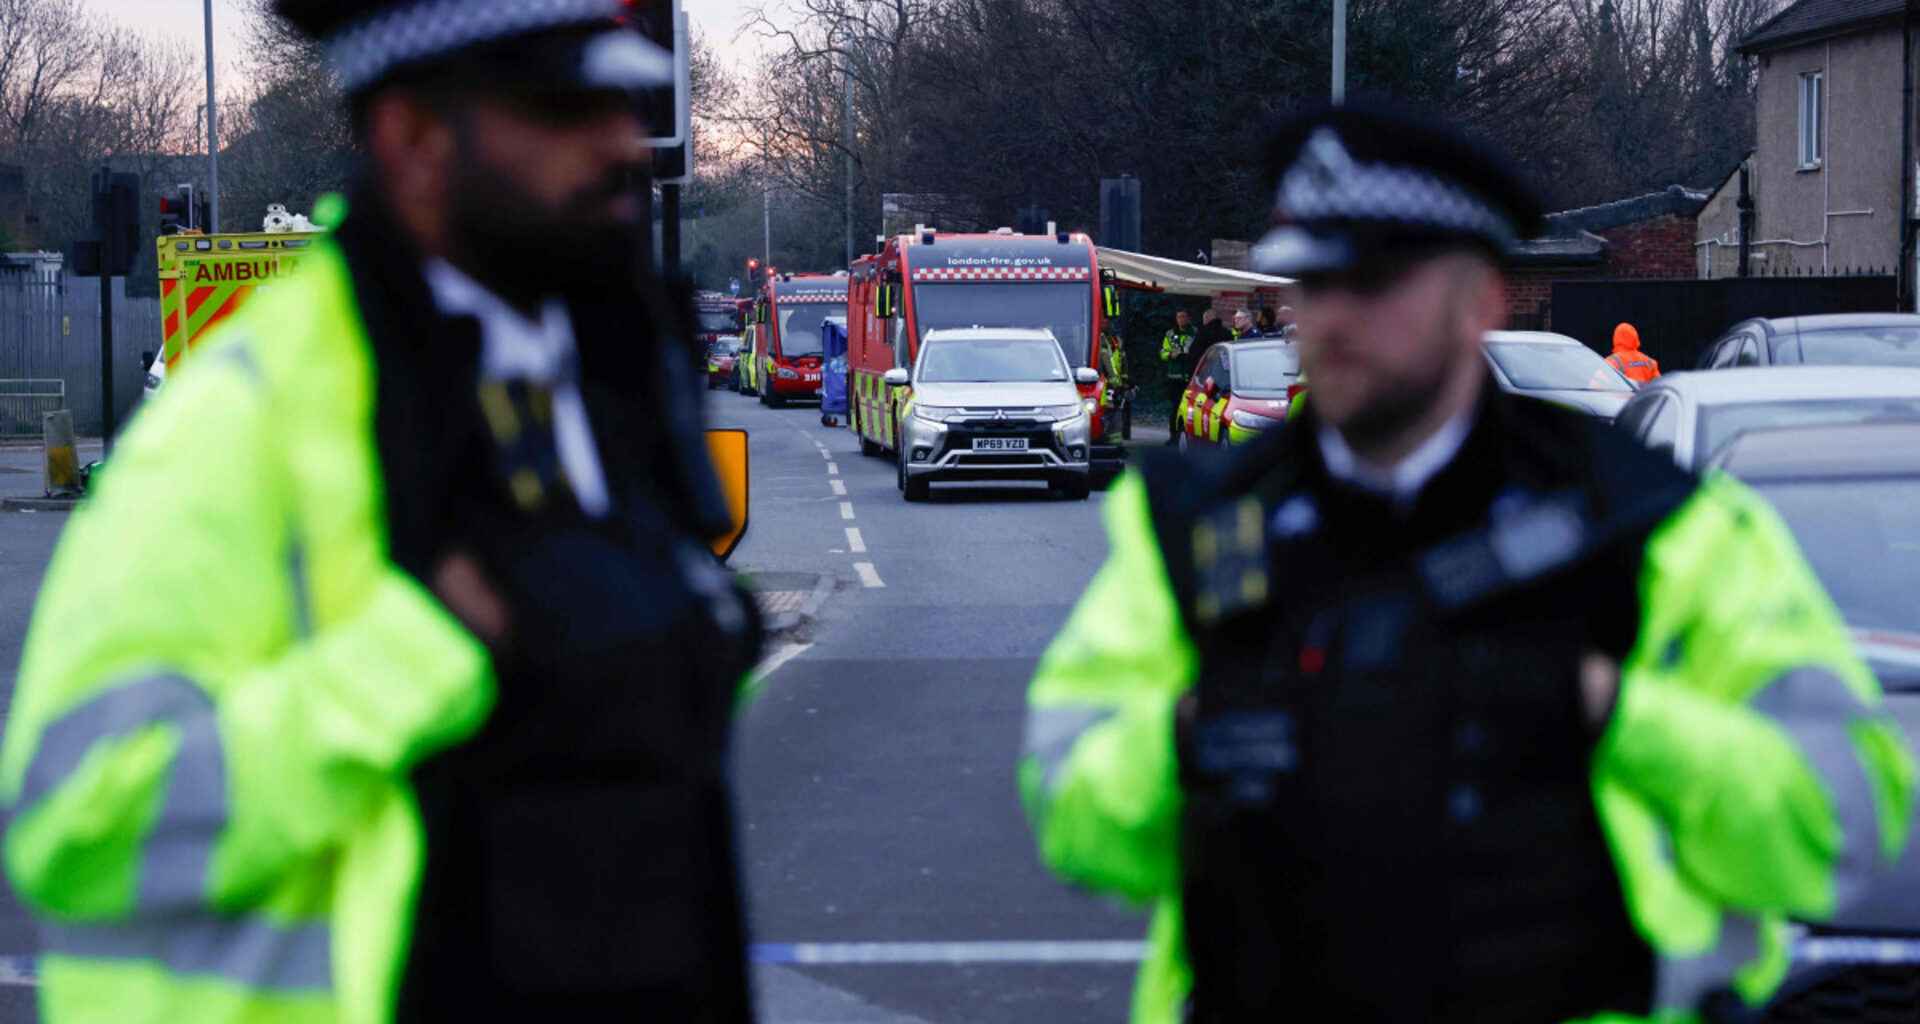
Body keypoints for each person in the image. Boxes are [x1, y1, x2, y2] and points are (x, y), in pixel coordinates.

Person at [1020, 102, 1913, 1024]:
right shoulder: (1200, 526)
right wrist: (1190, 735)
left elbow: (1836, 832)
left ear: (1479, 299)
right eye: (1311, 283)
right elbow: (1073, 821)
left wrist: (1608, 713)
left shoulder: (1653, 525)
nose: (1331, 318)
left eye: (1375, 281)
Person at [0, 3, 763, 1022]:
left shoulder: (602, 374)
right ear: (412, 140)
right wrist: (420, 648)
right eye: (564, 106)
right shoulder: (242, 421)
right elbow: (77, 821)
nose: (622, 140)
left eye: (625, 100)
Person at [1161, 310, 1199, 442]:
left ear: (1188, 318)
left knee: (1190, 408)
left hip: (1189, 377)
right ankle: (1174, 436)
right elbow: (1163, 352)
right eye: (1179, 317)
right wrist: (1170, 355)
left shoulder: (1195, 333)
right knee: (1175, 407)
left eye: (1183, 317)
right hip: (1175, 377)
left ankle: (1188, 436)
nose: (1181, 319)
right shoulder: (1170, 334)